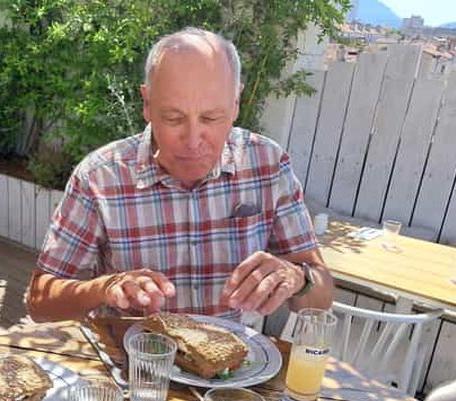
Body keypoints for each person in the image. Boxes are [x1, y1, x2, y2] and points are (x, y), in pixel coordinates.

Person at [27, 28, 334, 322]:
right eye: (174, 118)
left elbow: (322, 296)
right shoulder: (100, 177)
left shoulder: (267, 164)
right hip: (131, 366)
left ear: (236, 103)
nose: (193, 140)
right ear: (147, 103)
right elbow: (40, 302)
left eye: (212, 118)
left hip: (232, 369)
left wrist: (298, 278)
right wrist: (105, 288)